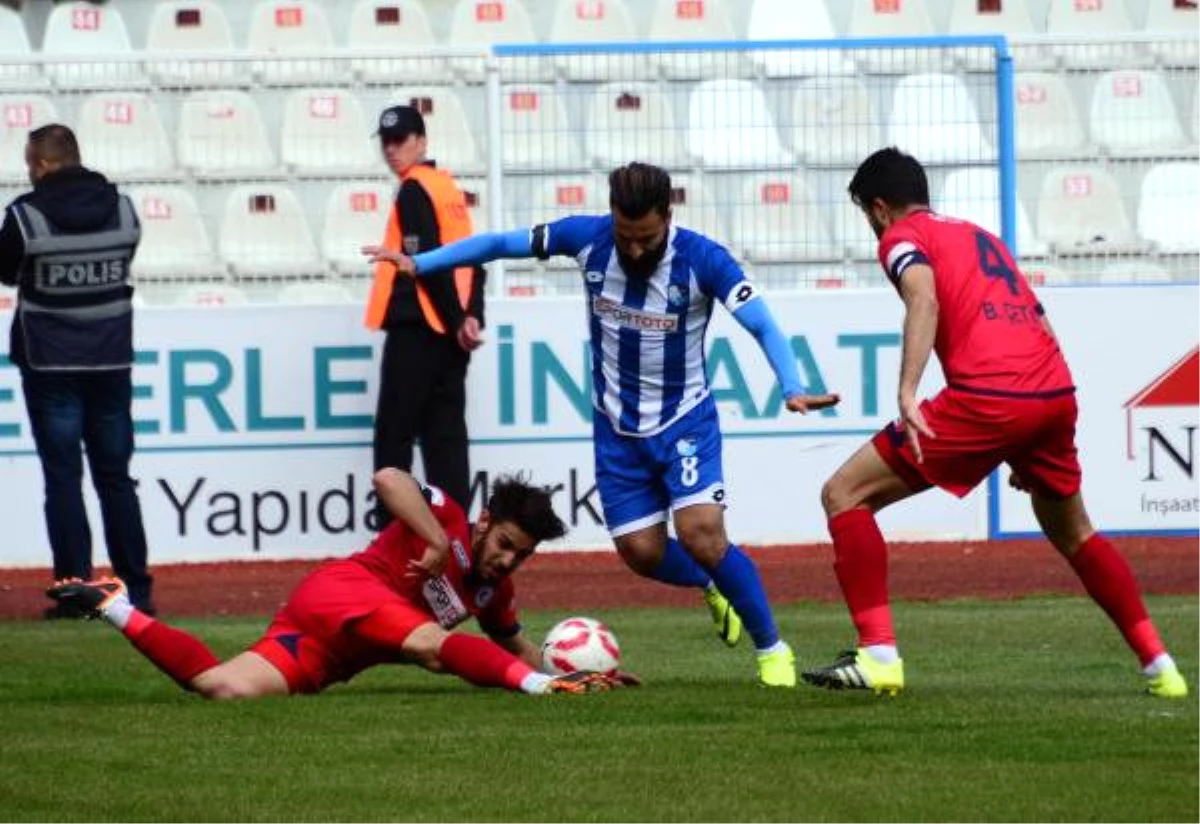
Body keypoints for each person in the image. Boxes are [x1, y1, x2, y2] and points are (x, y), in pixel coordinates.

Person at [364, 162, 841, 687]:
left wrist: (791, 384)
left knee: (702, 533)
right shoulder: (587, 238)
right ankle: (713, 584)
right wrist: (420, 262)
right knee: (641, 553)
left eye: (647, 238)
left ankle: (773, 651)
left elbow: (761, 323)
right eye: (625, 236)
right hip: (617, 431)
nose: (634, 250)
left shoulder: (704, 260)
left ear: (668, 217)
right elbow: (499, 243)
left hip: (684, 421)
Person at [800, 147, 1188, 699]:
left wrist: (908, 392)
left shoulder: (901, 239)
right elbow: (1043, 324)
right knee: (1075, 532)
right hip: (1052, 391)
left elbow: (923, 299)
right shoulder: (980, 236)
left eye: (868, 216)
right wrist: (1024, 436)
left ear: (879, 210)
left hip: (989, 396)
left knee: (844, 493)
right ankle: (1161, 667)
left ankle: (879, 655)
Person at [47, 468, 630, 698]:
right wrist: (430, 538)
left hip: (332, 648)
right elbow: (388, 479)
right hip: (345, 593)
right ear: (483, 525)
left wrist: (577, 672)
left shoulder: (492, 592)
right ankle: (534, 695)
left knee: (222, 687)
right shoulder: (449, 516)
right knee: (433, 648)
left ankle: (116, 606)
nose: (507, 561)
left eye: (520, 557)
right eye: (504, 545)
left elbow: (517, 647)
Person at [0, 123, 155, 618]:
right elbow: (122, 260)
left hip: (50, 362)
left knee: (63, 478)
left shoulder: (25, 216)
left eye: (30, 163)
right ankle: (138, 589)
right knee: (116, 478)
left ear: (42, 164)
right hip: (110, 358)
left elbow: (6, 270)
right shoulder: (124, 209)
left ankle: (75, 589)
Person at [363, 104, 486, 524]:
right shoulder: (446, 189)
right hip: (450, 338)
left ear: (421, 141)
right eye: (386, 141)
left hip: (419, 330)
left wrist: (456, 321)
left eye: (400, 140)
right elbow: (475, 262)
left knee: (393, 441)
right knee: (446, 441)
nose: (392, 149)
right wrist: (470, 318)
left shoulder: (415, 189)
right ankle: (455, 540)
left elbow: (426, 265)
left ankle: (390, 542)